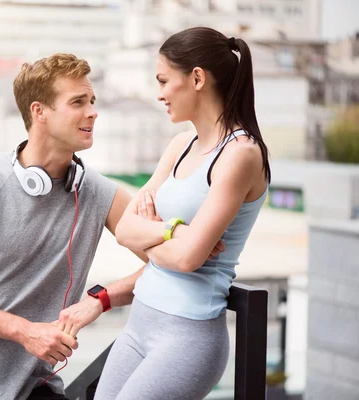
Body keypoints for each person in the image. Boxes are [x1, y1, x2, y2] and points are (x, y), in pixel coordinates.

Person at [0, 53, 147, 400]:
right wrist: (24, 332)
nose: (93, 112)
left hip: (31, 388)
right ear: (40, 112)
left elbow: (172, 261)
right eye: (78, 102)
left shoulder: (99, 194)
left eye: (92, 101)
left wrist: (102, 299)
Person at [59, 27, 271, 399]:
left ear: (197, 78)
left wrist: (159, 232)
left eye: (163, 81)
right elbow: (125, 230)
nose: (158, 94)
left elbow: (189, 259)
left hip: (187, 336)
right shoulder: (180, 145)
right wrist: (174, 231)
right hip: (141, 323)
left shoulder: (240, 154)